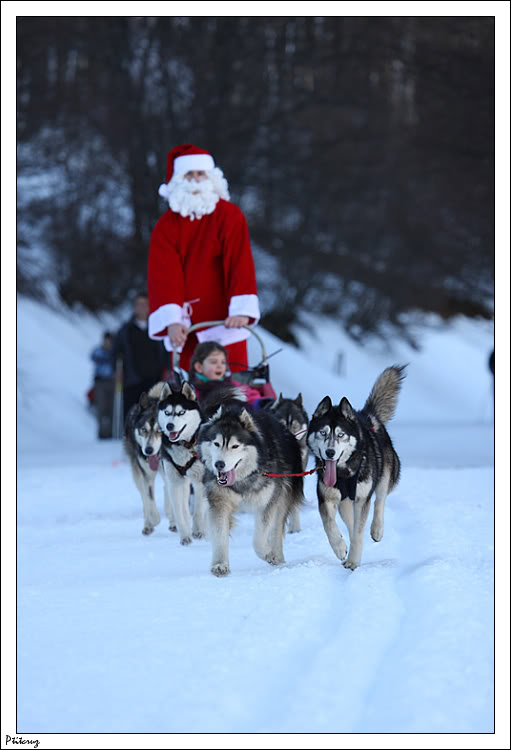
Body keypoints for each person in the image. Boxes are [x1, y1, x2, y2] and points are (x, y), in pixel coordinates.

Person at [147, 144, 261, 374]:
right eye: (189, 174)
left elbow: (239, 263)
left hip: (226, 322)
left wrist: (240, 309)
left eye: (201, 174)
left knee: (235, 387)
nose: (196, 180)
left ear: (212, 177)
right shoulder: (166, 226)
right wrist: (172, 320)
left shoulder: (229, 216)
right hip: (186, 328)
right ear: (178, 179)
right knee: (190, 391)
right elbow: (164, 275)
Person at [114, 292, 169, 422]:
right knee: (132, 414)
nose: (142, 307)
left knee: (153, 414)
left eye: (145, 304)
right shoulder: (125, 330)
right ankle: (130, 440)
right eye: (139, 304)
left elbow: (166, 351)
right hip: (132, 379)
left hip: (154, 378)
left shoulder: (158, 328)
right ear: (134, 307)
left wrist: (167, 369)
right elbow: (116, 353)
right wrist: (117, 370)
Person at [188, 341, 263, 405]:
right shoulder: (194, 389)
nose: (219, 366)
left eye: (223, 362)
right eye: (214, 362)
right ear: (199, 367)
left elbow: (249, 393)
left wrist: (258, 402)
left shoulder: (230, 383)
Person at [90, 332, 115, 438]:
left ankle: (111, 432)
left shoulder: (115, 352)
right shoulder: (98, 351)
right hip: (100, 383)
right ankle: (101, 433)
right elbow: (94, 357)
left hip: (113, 382)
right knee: (101, 408)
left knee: (112, 408)